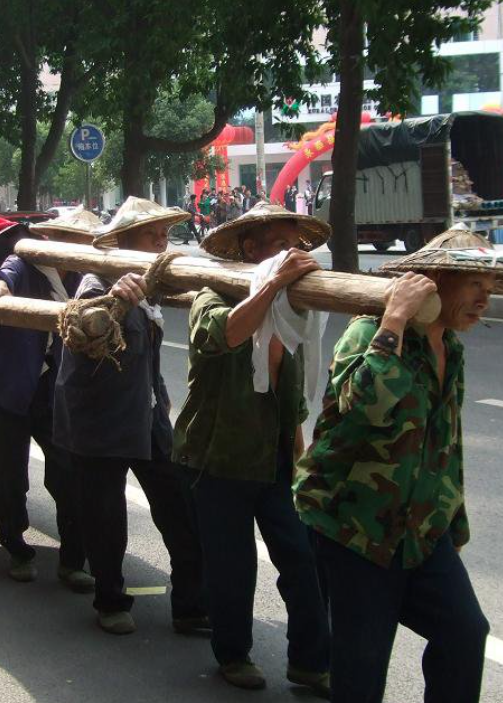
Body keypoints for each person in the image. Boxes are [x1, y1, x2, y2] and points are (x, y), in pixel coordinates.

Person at [294, 225, 503, 703]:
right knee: (362, 671)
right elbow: (363, 405)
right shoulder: (370, 330)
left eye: (488, 288)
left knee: (466, 633)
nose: (483, 299)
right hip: (357, 530)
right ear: (432, 280)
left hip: (424, 531)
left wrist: (454, 526)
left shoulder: (452, 347)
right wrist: (394, 322)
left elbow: (445, 443)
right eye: (473, 285)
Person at [174, 201, 331, 694]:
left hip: (276, 460)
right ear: (251, 249)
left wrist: (301, 462)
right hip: (217, 459)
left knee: (304, 561)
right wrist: (272, 284)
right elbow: (224, 334)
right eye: (283, 246)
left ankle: (310, 662)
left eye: (296, 246)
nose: (294, 255)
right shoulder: (211, 293)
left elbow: (294, 397)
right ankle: (233, 655)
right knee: (232, 568)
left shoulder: (292, 312)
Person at [53, 197, 206, 636]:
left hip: (148, 414)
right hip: (99, 420)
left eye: (164, 236)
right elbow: (82, 328)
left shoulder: (153, 287)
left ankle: (192, 605)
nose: (160, 244)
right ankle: (111, 600)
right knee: (105, 516)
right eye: (150, 235)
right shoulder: (95, 286)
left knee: (179, 505)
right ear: (122, 241)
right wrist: (110, 301)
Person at [0, 209, 99, 589]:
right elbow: (3, 276)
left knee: (70, 471)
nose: (73, 246)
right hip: (9, 383)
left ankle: (73, 559)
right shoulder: (25, 262)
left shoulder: (85, 277)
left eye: (80, 241)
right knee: (8, 471)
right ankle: (16, 548)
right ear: (50, 239)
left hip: (56, 388)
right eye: (65, 238)